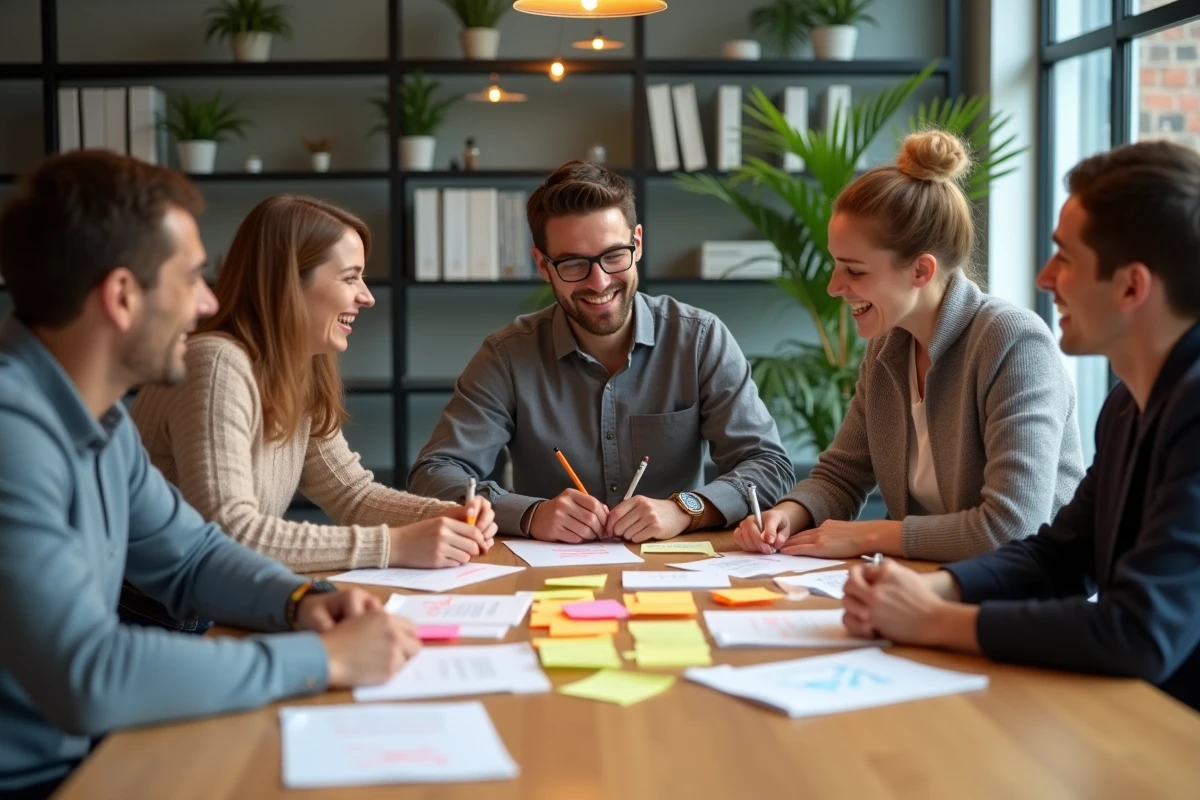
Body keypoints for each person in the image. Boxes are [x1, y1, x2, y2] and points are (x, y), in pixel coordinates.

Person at [0, 152, 420, 798]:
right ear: (122, 296)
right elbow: (90, 674)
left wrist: (303, 601)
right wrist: (324, 657)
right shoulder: (13, 435)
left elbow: (193, 554)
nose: (209, 302)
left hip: (94, 751)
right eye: (193, 278)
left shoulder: (102, 420)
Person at [842, 140, 1200, 711]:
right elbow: (1060, 556)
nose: (1044, 277)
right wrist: (934, 587)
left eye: (1065, 258)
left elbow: (1139, 631)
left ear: (1132, 286)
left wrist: (933, 619)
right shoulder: (1128, 406)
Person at [734, 131, 1085, 562]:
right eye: (835, 264)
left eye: (855, 271)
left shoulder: (1014, 343)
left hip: (1020, 591)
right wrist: (788, 514)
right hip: (926, 579)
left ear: (921, 271)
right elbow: (842, 475)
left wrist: (869, 536)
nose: (834, 286)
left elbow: (1011, 527)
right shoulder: (887, 348)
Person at [408, 160, 795, 543]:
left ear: (637, 244)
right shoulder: (506, 356)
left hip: (677, 567)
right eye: (574, 264)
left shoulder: (699, 339)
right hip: (549, 569)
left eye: (614, 256)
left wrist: (685, 509)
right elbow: (434, 474)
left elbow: (769, 465)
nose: (599, 282)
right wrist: (530, 514)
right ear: (543, 265)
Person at [128, 195, 495, 578]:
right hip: (156, 609)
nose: (367, 297)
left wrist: (447, 515)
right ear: (288, 283)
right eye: (350, 278)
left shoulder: (297, 367)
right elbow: (230, 532)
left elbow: (352, 495)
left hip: (216, 598)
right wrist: (395, 545)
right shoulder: (216, 363)